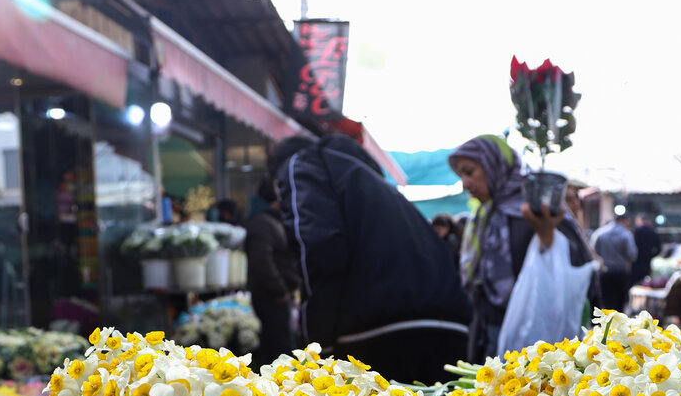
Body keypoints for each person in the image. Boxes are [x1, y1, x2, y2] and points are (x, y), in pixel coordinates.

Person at [269, 134, 471, 382]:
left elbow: (316, 248)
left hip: (380, 332)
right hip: (448, 326)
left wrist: (317, 346)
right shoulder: (371, 182)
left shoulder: (301, 165)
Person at [448, 134, 600, 360]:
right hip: (490, 331)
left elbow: (578, 269)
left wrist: (546, 235)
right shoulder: (486, 216)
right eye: (461, 175)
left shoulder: (537, 207)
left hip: (537, 339)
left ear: (495, 165)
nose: (465, 183)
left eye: (469, 172)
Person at [244, 177, 301, 366]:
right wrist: (279, 291)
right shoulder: (262, 222)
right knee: (280, 351)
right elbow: (261, 261)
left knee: (278, 347)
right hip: (271, 297)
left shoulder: (269, 220)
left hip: (276, 295)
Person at [590, 213, 637, 313]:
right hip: (621, 273)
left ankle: (606, 323)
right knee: (620, 305)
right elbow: (632, 254)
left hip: (604, 272)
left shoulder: (599, 233)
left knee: (605, 304)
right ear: (624, 220)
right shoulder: (626, 235)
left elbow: (593, 252)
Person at [630, 213, 663, 287]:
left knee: (634, 287)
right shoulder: (652, 231)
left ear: (639, 221)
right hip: (647, 264)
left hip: (636, 264)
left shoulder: (635, 231)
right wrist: (651, 256)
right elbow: (659, 248)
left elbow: (630, 248)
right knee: (645, 286)